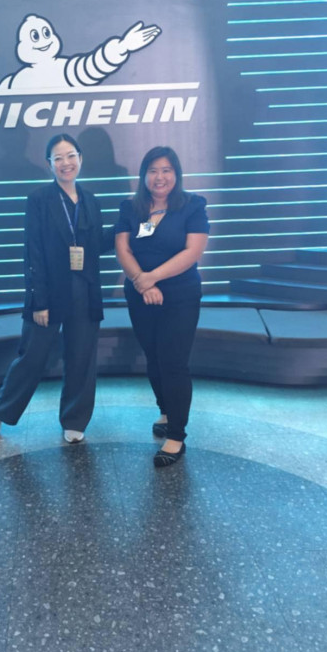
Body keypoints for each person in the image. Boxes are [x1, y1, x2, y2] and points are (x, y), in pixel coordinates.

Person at [0, 133, 109, 443]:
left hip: (85, 291)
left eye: (71, 156)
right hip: (49, 294)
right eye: (59, 158)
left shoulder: (91, 200)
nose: (66, 163)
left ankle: (75, 419)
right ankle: (0, 410)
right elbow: (34, 253)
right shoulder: (39, 200)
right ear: (49, 164)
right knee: (32, 357)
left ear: (81, 158)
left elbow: (96, 245)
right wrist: (39, 300)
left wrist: (136, 225)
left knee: (82, 358)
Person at [114, 146, 209, 467]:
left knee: (173, 362)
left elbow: (192, 252)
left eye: (166, 170)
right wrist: (141, 282)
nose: (160, 177)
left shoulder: (193, 205)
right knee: (153, 357)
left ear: (176, 174)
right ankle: (166, 411)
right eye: (153, 170)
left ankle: (177, 437)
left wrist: (150, 278)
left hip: (180, 295)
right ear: (144, 175)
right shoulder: (130, 207)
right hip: (140, 295)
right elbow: (123, 249)